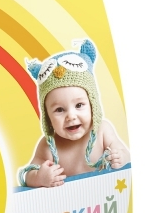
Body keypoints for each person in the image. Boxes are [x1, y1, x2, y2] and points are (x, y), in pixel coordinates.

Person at [17, 39, 130, 188]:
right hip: (68, 203)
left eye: (79, 105)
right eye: (59, 110)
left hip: (105, 197)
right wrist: (39, 177)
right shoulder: (48, 146)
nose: (71, 116)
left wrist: (121, 157)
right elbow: (28, 175)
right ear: (47, 116)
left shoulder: (102, 131)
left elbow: (125, 154)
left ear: (92, 104)